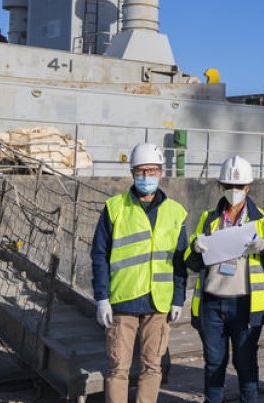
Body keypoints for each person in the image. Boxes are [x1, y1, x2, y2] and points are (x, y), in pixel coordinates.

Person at [90, 142, 189, 403]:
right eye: (141, 171)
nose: (147, 176)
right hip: (123, 301)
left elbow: (180, 262)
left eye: (152, 170)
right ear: (133, 173)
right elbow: (99, 254)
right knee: (118, 369)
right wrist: (102, 297)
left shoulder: (175, 213)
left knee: (152, 367)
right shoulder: (115, 207)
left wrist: (178, 297)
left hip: (159, 303)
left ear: (161, 172)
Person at [185, 155, 264, 403]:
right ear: (221, 187)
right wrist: (194, 247)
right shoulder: (209, 218)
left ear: (248, 187)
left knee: (245, 362)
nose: (234, 191)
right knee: (214, 363)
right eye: (228, 186)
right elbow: (191, 260)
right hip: (212, 303)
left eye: (238, 186)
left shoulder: (261, 220)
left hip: (245, 304)